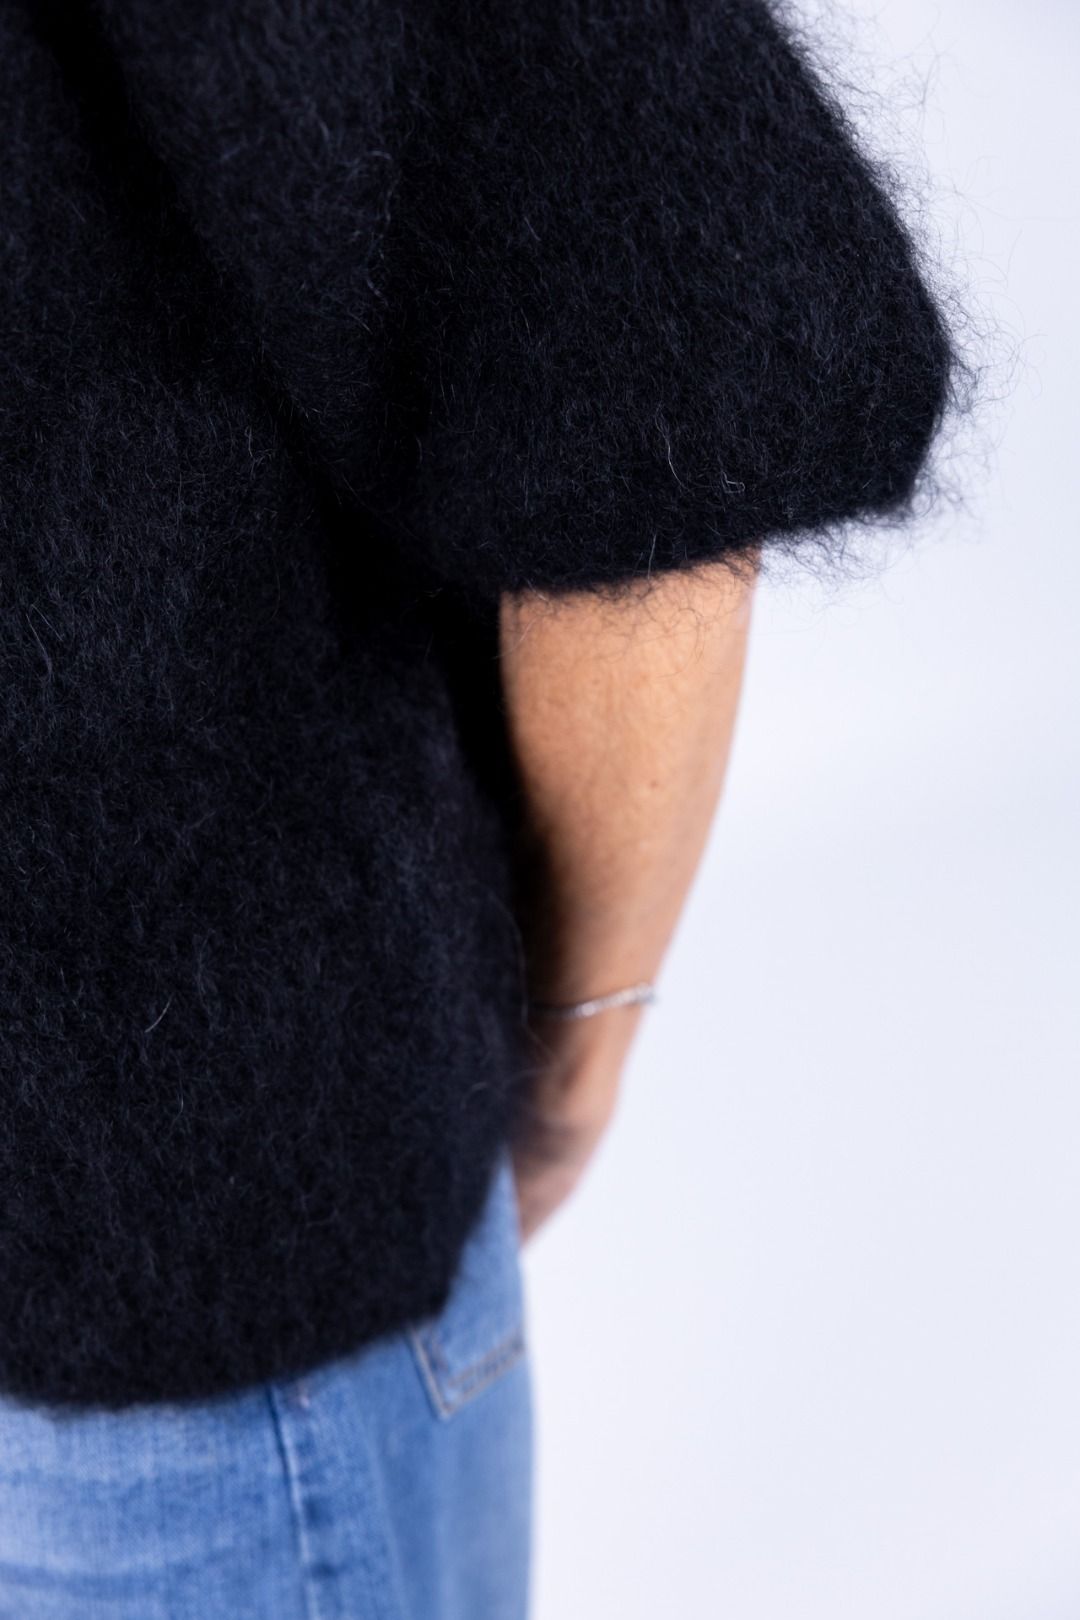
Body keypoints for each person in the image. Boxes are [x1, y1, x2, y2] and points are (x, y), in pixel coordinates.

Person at [0, 0, 956, 1614]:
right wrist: (583, 1022)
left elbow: (655, 364)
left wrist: (581, 1009)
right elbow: (657, 350)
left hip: (167, 1270)